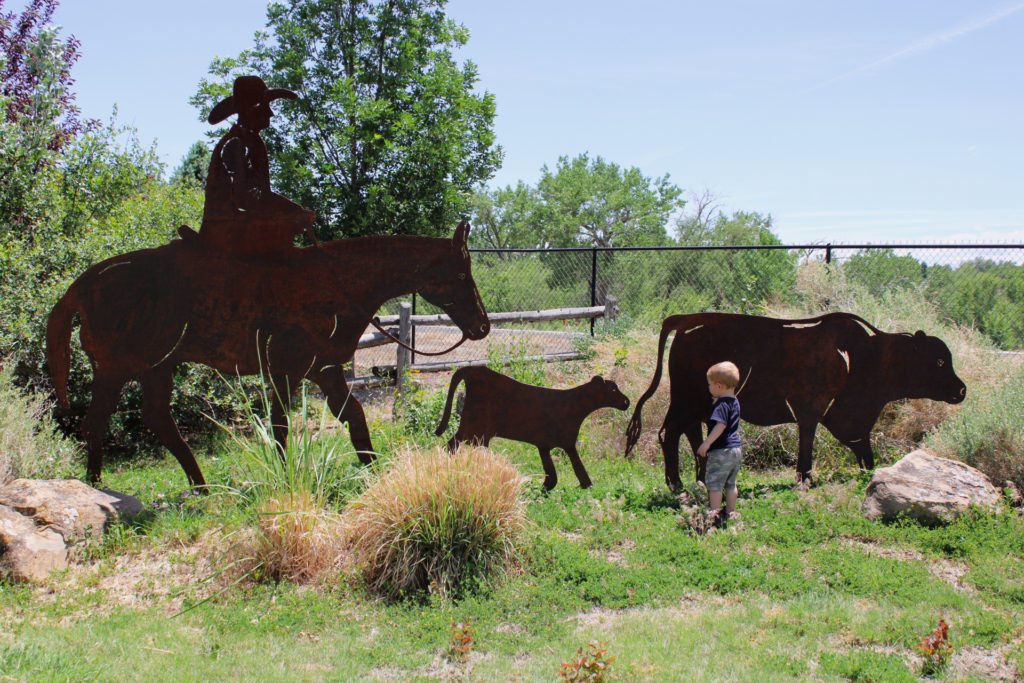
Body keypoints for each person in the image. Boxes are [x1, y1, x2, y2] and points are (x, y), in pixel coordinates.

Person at [191, 75, 317, 255]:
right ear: (248, 110)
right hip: (227, 234)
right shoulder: (237, 143)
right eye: (262, 106)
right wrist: (292, 211)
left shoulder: (252, 141)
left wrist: (293, 210)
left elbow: (260, 192)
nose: (269, 113)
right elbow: (242, 196)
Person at [696, 360, 742, 529]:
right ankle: (731, 512)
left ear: (719, 386)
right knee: (731, 483)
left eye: (710, 385)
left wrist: (707, 443)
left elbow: (720, 425)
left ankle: (713, 515)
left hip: (721, 451)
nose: (709, 388)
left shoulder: (721, 405)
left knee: (715, 484)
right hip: (735, 450)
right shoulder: (735, 402)